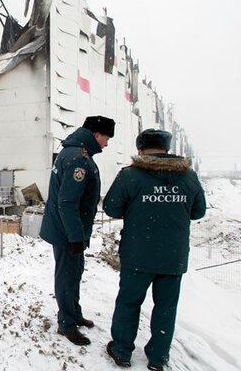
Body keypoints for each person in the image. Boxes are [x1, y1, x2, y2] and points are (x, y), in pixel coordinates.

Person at [103, 129, 206, 370]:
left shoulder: (130, 175)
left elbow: (111, 208)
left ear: (140, 149)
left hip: (138, 254)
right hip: (173, 256)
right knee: (166, 307)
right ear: (167, 149)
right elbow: (198, 212)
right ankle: (158, 357)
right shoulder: (189, 177)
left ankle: (121, 351)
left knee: (129, 302)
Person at [40, 115, 115, 346]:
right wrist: (75, 237)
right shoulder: (78, 159)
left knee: (74, 273)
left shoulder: (74, 152)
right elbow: (68, 202)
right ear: (96, 134)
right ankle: (67, 324)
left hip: (68, 229)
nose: (107, 143)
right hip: (67, 232)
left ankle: (73, 313)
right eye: (106, 138)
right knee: (67, 277)